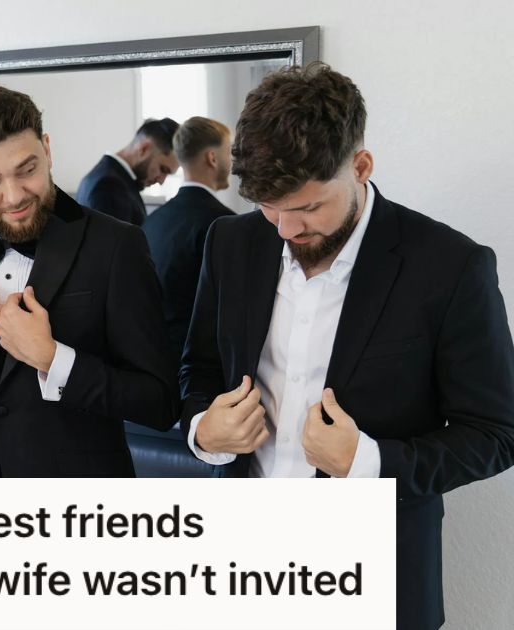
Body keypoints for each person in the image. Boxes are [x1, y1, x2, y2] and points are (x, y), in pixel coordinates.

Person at [179, 63, 514, 629]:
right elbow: (200, 368)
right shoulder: (229, 242)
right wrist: (202, 431)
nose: (285, 230)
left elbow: (496, 433)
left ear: (360, 167)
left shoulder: (451, 267)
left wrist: (368, 463)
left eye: (308, 207)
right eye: (268, 206)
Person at [0, 85, 178, 477]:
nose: (14, 196)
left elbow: (161, 402)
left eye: (27, 170)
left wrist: (54, 360)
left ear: (47, 151)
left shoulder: (117, 245)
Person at [142, 116, 235, 362]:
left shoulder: (152, 221)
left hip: (154, 357)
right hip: (201, 365)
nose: (232, 160)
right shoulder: (226, 225)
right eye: (229, 151)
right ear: (212, 158)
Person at [76, 117, 179, 225]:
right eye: (163, 169)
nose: (161, 181)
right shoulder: (110, 186)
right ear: (144, 149)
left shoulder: (103, 177)